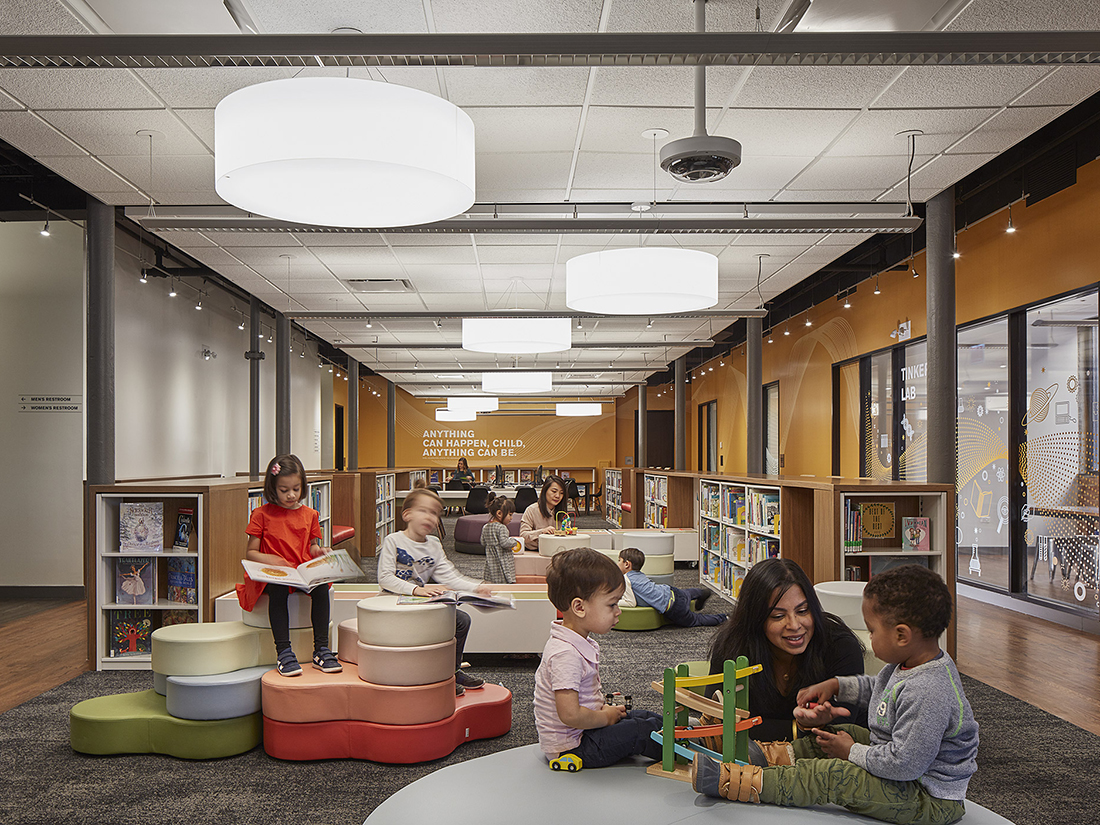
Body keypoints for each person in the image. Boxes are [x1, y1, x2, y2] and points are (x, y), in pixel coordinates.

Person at [693, 564, 978, 825]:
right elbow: (880, 689)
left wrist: (851, 752)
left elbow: (905, 765)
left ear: (901, 635)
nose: (794, 624)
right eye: (778, 616)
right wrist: (838, 686)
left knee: (834, 776)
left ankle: (742, 783)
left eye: (872, 631)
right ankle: (765, 757)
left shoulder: (929, 690)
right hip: (902, 767)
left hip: (926, 797)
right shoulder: (909, 666)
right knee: (836, 736)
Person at [533, 547, 664, 771]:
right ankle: (688, 751)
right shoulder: (565, 654)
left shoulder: (575, 642)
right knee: (641, 731)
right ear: (579, 607)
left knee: (642, 717)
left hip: (585, 731)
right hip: (573, 747)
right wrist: (605, 717)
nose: (618, 611)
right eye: (612, 604)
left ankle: (686, 733)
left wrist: (605, 712)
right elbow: (570, 715)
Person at [708, 558, 865, 741]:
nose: (794, 625)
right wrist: (800, 729)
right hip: (751, 755)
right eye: (778, 616)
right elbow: (714, 721)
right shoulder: (733, 645)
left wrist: (749, 727)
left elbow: (838, 732)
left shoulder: (840, 646)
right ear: (756, 619)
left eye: (803, 611)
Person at [378, 487, 495, 695]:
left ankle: (452, 671)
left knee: (461, 620)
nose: (430, 517)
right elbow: (385, 578)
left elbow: (449, 576)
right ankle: (432, 675)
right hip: (393, 604)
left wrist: (477, 587)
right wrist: (417, 589)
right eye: (423, 511)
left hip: (420, 604)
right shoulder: (393, 540)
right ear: (407, 514)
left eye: (434, 513)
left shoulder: (434, 544)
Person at [237, 454, 341, 678]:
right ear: (272, 487)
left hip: (300, 571)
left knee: (321, 587)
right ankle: (284, 652)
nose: (291, 495)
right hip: (273, 575)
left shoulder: (310, 515)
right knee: (279, 589)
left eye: (296, 489)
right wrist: (272, 559)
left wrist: (320, 551)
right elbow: (251, 553)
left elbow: (312, 547)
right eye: (284, 490)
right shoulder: (261, 514)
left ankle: (321, 650)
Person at [617, 548, 726, 627]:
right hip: (670, 591)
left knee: (696, 620)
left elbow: (631, 603)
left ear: (627, 564)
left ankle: (724, 618)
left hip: (673, 607)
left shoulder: (626, 579)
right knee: (687, 593)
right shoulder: (639, 574)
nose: (617, 563)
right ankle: (701, 593)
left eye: (619, 560)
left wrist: (615, 602)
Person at [520, 475, 569, 552]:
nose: (557, 496)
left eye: (561, 493)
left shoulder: (562, 513)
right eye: (554, 491)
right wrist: (542, 532)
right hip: (535, 552)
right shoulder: (532, 510)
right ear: (545, 490)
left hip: (558, 551)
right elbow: (523, 536)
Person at [482, 497, 519, 584]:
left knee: (491, 579)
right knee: (503, 579)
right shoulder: (502, 527)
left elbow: (483, 542)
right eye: (510, 515)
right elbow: (504, 543)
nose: (511, 518)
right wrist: (514, 541)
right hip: (502, 559)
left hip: (491, 559)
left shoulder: (486, 526)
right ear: (499, 513)